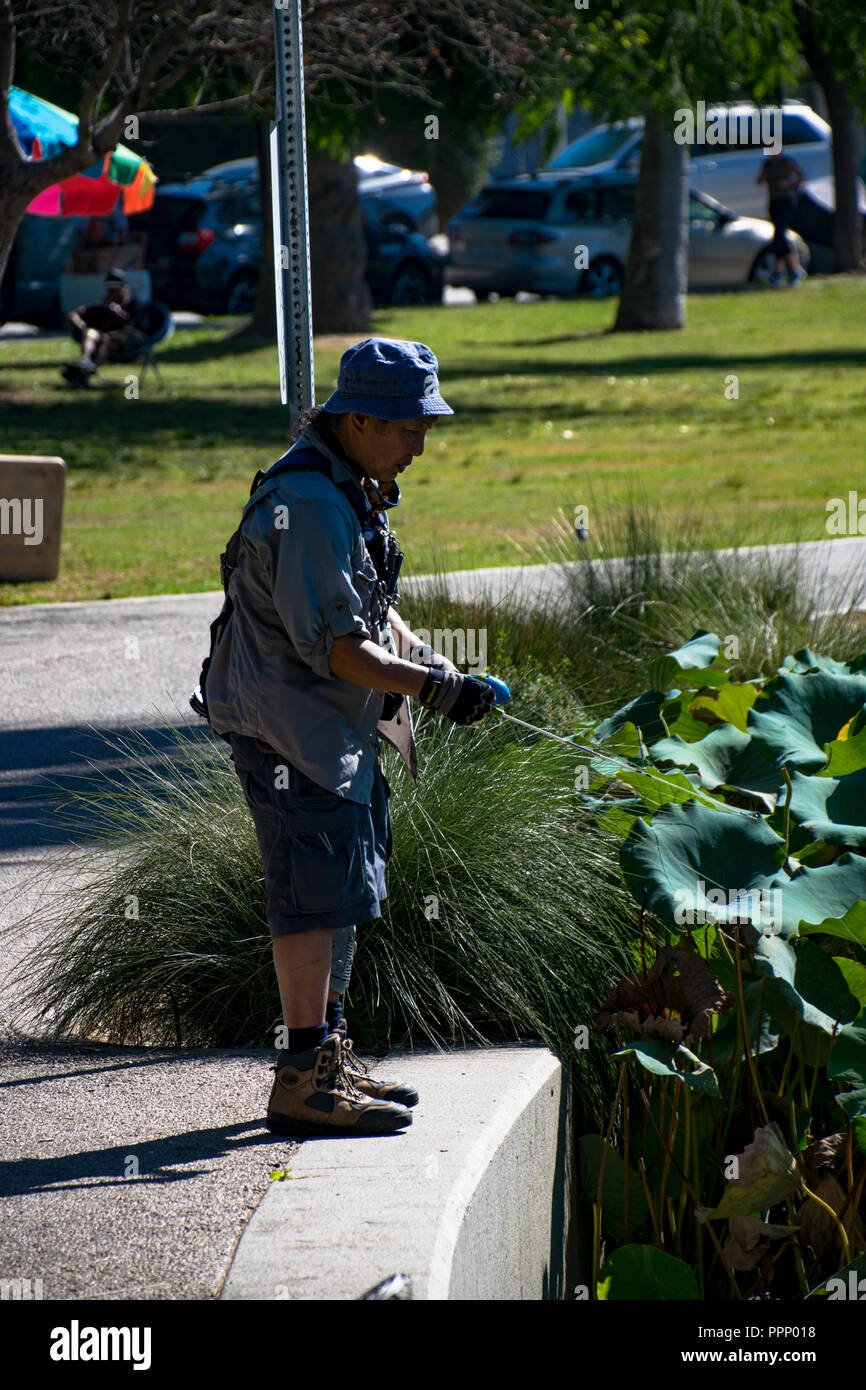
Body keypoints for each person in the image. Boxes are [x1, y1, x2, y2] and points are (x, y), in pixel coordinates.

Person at [203, 337, 498, 1137]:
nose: (421, 444)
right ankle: (302, 1080)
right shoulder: (314, 504)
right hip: (288, 733)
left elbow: (370, 608)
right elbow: (333, 646)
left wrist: (436, 662)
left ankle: (329, 1061)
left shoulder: (349, 486)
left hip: (333, 730)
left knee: (346, 892)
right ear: (359, 419)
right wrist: (436, 688)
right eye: (408, 427)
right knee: (310, 900)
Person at [61, 268, 149, 387]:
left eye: (116, 287)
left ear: (125, 288)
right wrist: (80, 324)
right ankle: (85, 361)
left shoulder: (135, 304)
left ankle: (85, 372)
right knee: (90, 333)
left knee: (106, 339)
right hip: (104, 340)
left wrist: (117, 312)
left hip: (129, 340)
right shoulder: (103, 304)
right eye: (109, 287)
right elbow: (74, 314)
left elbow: (135, 325)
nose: (112, 291)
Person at [756, 147, 807, 287]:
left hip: (787, 202)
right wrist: (764, 175)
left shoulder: (787, 162)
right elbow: (758, 182)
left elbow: (802, 177)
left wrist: (789, 183)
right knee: (778, 237)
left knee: (779, 235)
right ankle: (793, 270)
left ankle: (781, 271)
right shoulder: (767, 164)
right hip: (774, 202)